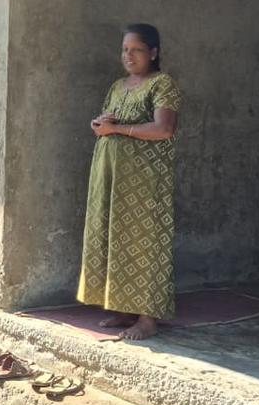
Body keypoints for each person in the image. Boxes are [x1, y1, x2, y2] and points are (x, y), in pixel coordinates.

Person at [77, 23, 182, 341]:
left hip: (144, 183)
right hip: (111, 176)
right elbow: (109, 121)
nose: (129, 56)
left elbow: (164, 129)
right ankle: (123, 308)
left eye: (136, 50)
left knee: (143, 242)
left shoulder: (163, 84)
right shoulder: (117, 86)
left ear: (153, 52)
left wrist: (118, 130)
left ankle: (147, 318)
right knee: (113, 238)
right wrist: (100, 124)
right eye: (125, 50)